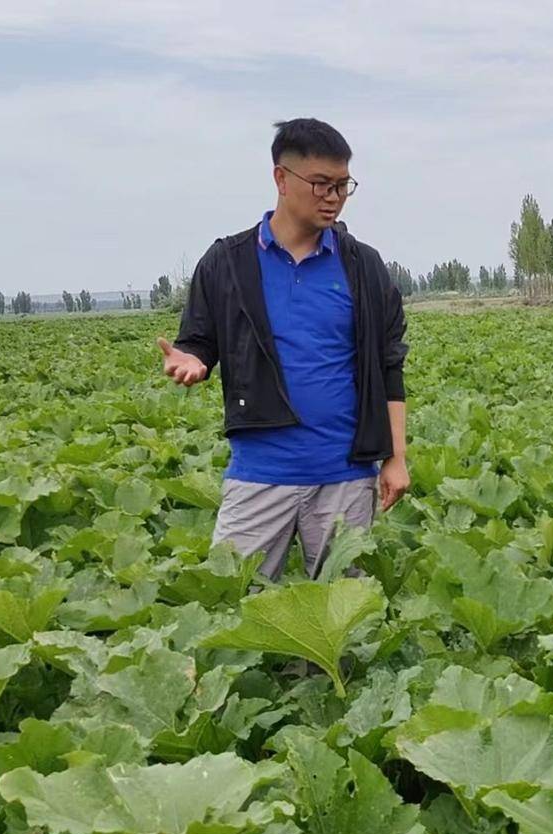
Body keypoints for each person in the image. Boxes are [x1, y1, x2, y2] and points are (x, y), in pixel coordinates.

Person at [158, 118, 410, 580]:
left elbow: (389, 366)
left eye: (342, 185)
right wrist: (192, 360)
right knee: (233, 612)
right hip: (259, 473)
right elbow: (198, 341)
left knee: (338, 627)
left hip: (346, 477)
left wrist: (396, 458)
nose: (332, 197)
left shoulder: (364, 267)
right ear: (281, 178)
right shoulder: (227, 263)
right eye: (320, 184)